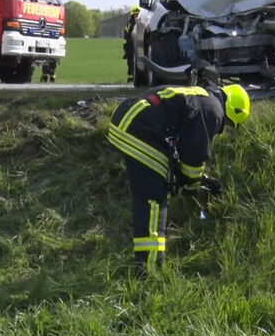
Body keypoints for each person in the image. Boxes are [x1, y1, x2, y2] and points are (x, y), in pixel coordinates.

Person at [107, 83, 250, 274]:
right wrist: (191, 187)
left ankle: (148, 265)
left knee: (154, 186)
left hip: (126, 120)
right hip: (140, 129)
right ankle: (149, 270)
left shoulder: (201, 96)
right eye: (229, 124)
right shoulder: (213, 110)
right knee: (154, 199)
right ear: (233, 110)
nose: (224, 128)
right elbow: (194, 155)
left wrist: (185, 179)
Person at [122, 5, 140, 83]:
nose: (137, 15)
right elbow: (126, 36)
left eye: (138, 14)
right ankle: (131, 78)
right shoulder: (129, 24)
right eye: (135, 14)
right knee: (130, 62)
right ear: (132, 15)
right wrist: (125, 47)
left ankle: (138, 77)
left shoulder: (142, 22)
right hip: (130, 45)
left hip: (139, 45)